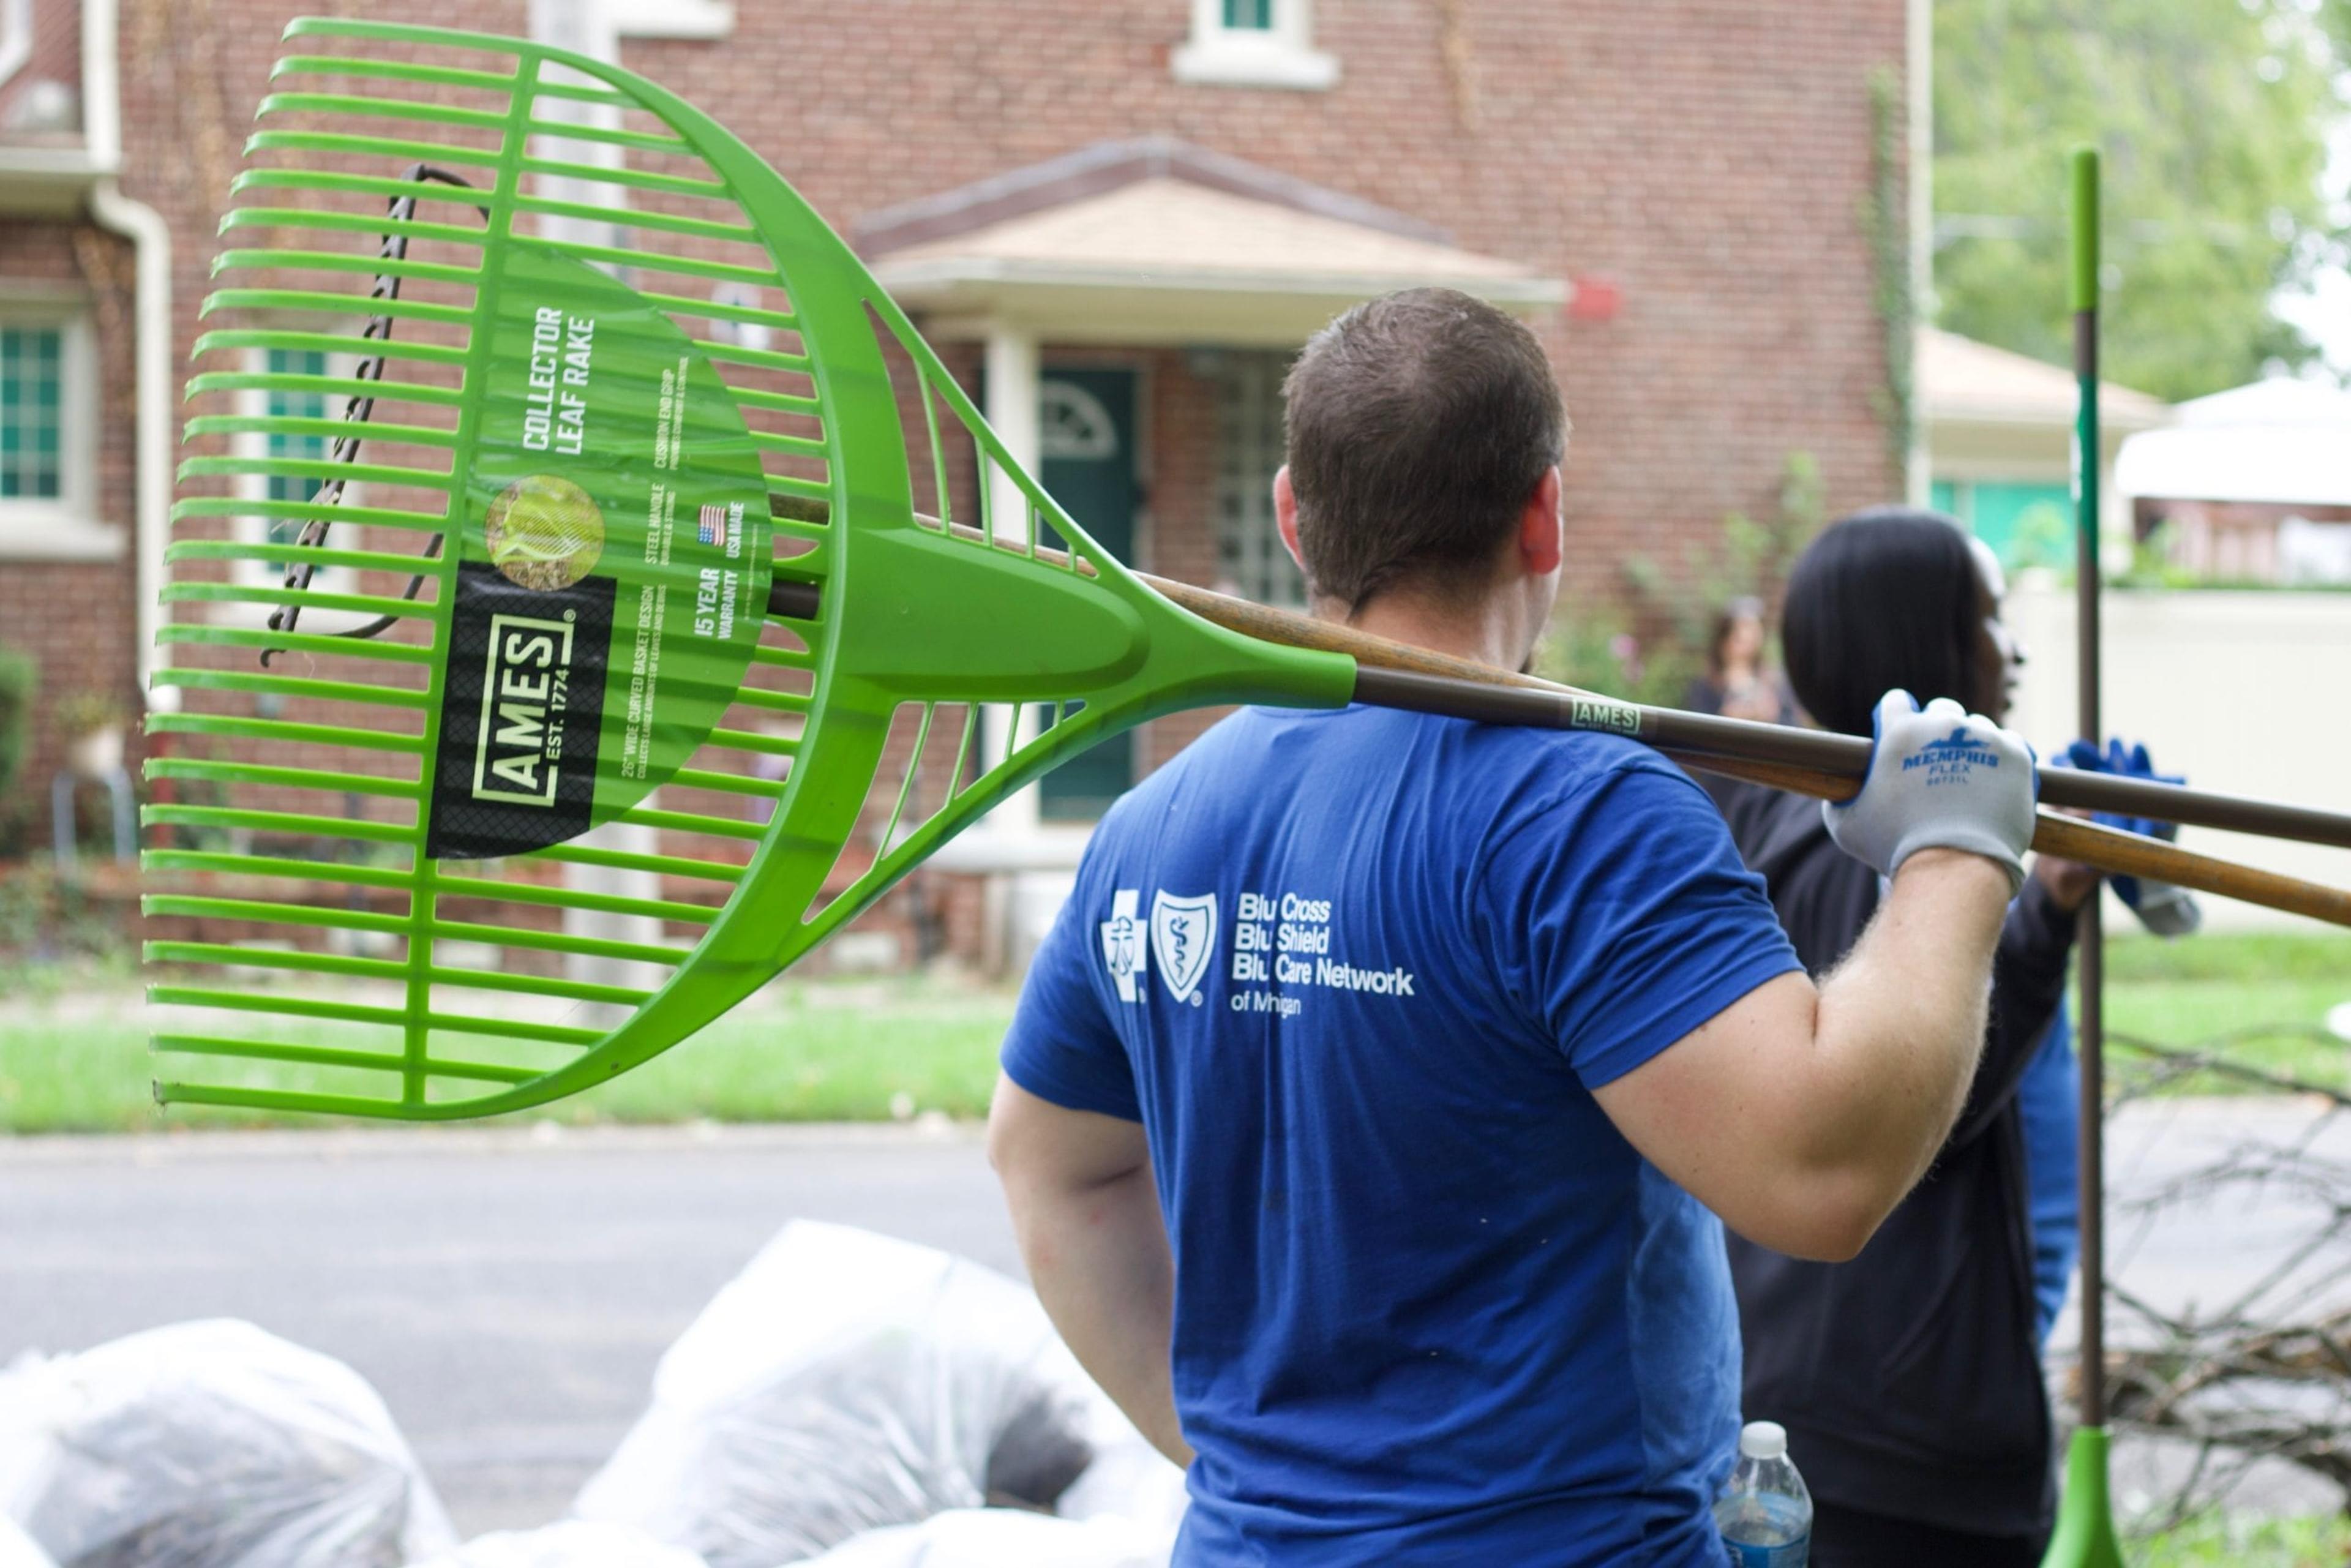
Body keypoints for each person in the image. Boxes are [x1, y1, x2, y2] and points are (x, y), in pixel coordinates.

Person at [986, 289, 2039, 1566]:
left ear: (1291, 515)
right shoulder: (1577, 807)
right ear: (1545, 514)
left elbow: (1051, 1162)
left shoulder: (1151, 826)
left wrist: (1256, 1467)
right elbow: (1820, 1168)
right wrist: (1956, 854)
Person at [1713, 509, 2191, 1566]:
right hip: (1883, 1447)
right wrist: (2041, 920)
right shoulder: (1847, 848)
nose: (2012, 648)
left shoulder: (1853, 830)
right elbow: (1894, 1111)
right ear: (1919, 640)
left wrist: (2048, 894)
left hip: (1887, 1424)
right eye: (1990, 617)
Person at [1685, 595, 1794, 724]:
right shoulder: (1706, 685)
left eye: (1752, 634)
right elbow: (1696, 727)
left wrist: (1772, 714)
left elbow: (1792, 726)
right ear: (1724, 637)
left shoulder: (1775, 680)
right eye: (1739, 637)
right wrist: (1725, 717)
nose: (1746, 641)